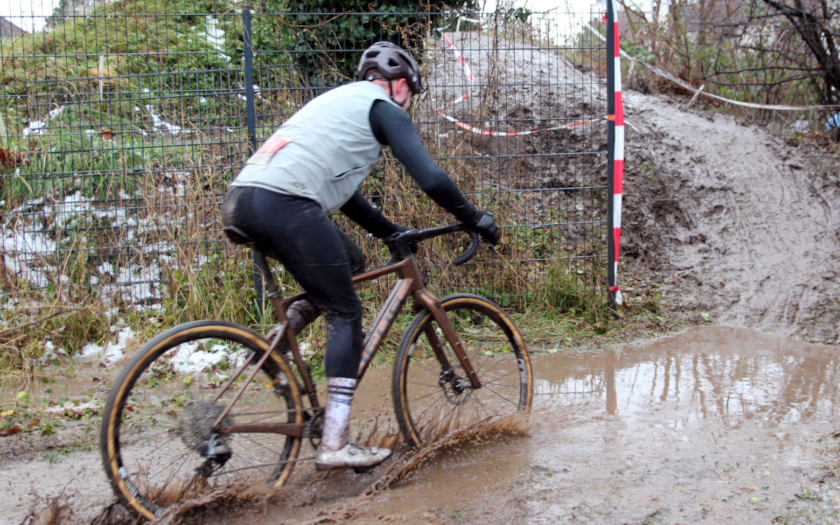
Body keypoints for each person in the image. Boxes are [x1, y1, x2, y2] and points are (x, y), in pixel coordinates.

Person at [221, 41, 499, 470]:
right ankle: (334, 443)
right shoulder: (383, 106)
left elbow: (346, 194)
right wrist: (473, 216)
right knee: (346, 312)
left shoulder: (340, 103)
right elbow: (429, 176)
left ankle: (271, 350)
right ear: (402, 84)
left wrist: (390, 231)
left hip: (246, 200)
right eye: (412, 95)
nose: (409, 105)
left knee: (350, 266)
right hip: (283, 203)